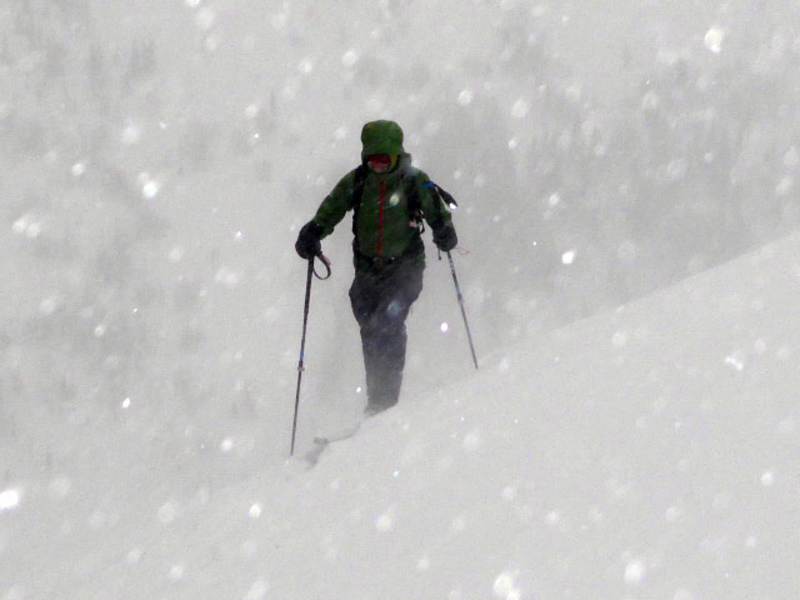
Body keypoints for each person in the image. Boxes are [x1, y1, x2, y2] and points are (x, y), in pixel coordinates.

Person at [295, 120, 458, 415]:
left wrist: (444, 230)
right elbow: (334, 207)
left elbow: (437, 210)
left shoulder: (413, 180)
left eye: (385, 160)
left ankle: (386, 402)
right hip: (368, 269)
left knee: (388, 323)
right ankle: (377, 399)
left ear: (397, 155)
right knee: (369, 325)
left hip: (406, 267)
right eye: (373, 161)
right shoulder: (358, 181)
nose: (379, 166)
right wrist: (314, 231)